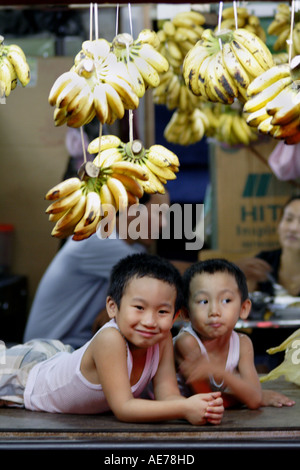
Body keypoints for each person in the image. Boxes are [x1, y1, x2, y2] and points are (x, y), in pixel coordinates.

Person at [0, 253, 224, 425]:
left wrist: (198, 406)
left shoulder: (162, 339)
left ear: (176, 316)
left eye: (162, 312)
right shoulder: (111, 339)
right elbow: (124, 408)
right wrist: (184, 409)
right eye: (139, 307)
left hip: (58, 359)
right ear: (112, 307)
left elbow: (168, 395)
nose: (150, 321)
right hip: (25, 374)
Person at [23, 191, 171, 349]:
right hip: (47, 352)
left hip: (76, 346)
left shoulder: (134, 247)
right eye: (157, 213)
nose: (163, 224)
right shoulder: (97, 239)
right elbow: (164, 281)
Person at [173, 258, 295, 409]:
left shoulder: (243, 343)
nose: (214, 312)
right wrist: (248, 396)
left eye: (226, 300)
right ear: (185, 313)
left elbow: (254, 397)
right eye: (203, 301)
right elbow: (207, 402)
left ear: (244, 308)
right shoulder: (187, 342)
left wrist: (221, 373)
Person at [238, 195, 300, 296]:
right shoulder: (263, 262)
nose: (293, 228)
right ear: (278, 225)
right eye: (289, 219)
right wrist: (238, 277)